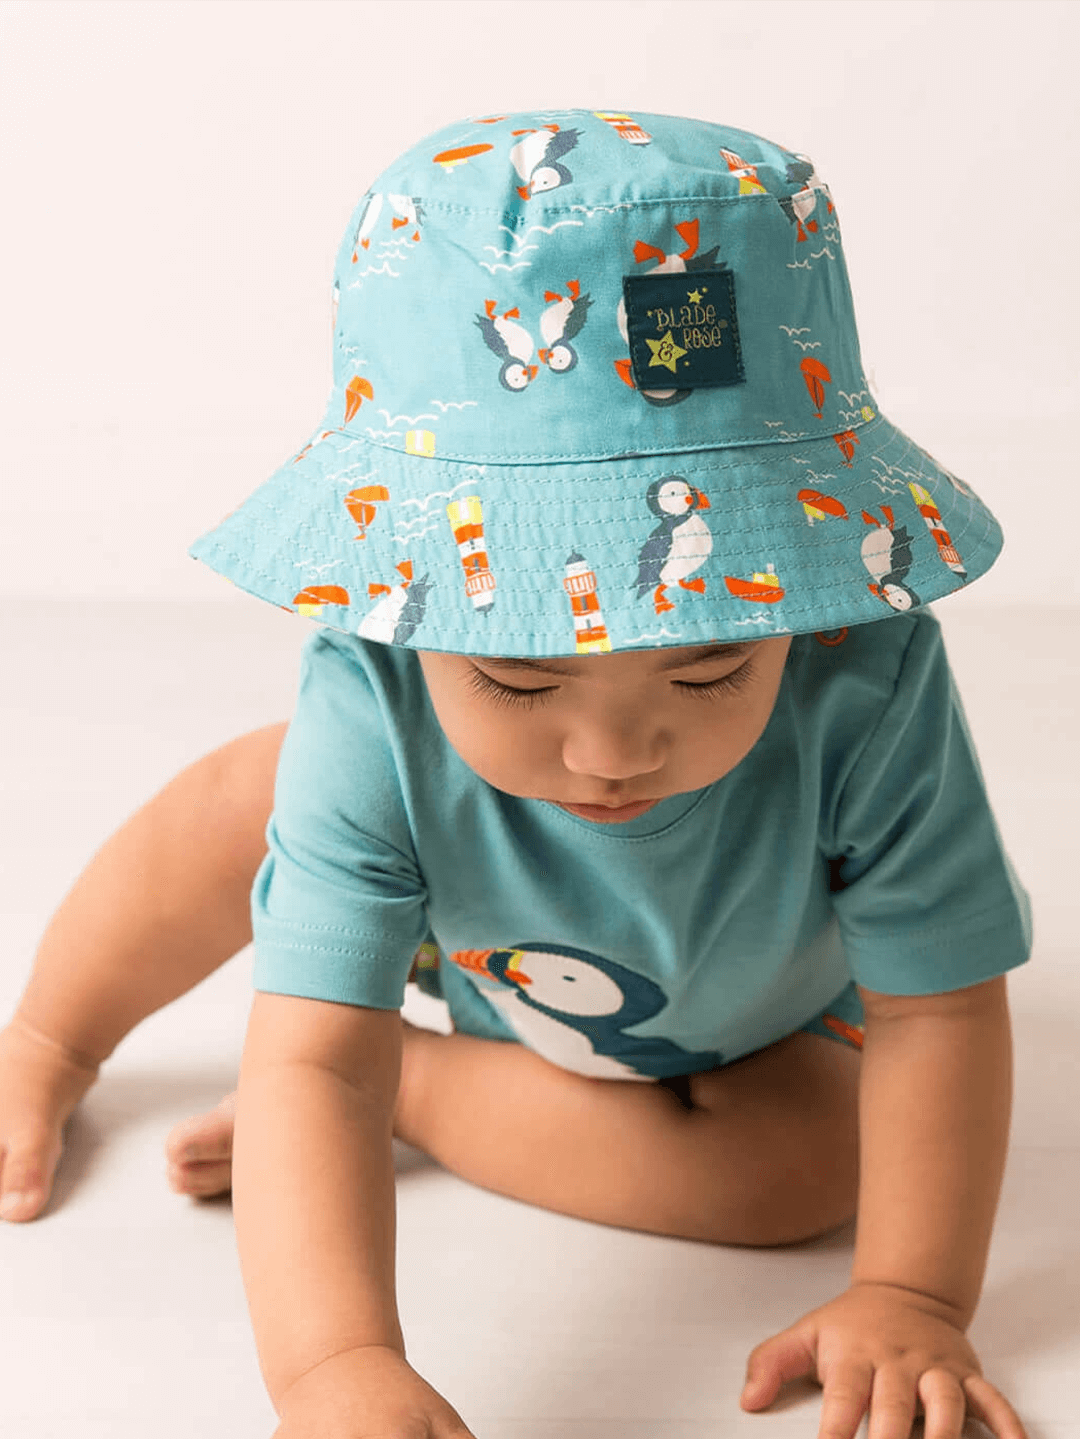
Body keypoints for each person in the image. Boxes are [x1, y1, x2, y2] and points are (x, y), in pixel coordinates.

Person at [0, 110, 1033, 1439]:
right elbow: (313, 1060)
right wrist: (333, 1369)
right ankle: (46, 1036)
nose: (613, 755)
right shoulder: (375, 690)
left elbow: (940, 1012)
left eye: (710, 669)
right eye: (522, 680)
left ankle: (427, 1085)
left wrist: (913, 1291)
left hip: (759, 1021)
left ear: (808, 586)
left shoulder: (869, 684)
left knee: (802, 1172)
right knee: (243, 801)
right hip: (466, 934)